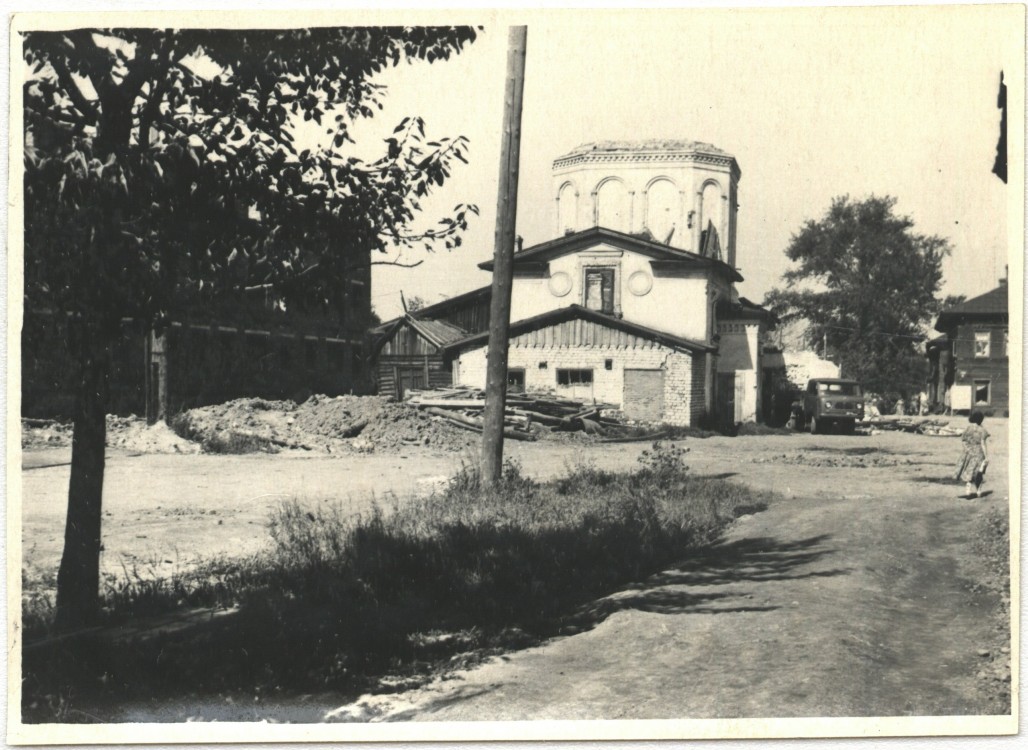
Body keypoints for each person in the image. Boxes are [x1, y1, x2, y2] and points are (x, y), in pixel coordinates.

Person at [955, 410, 989, 498]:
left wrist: (967, 449)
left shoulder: (968, 428)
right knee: (979, 473)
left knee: (969, 472)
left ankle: (968, 491)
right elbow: (983, 444)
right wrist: (986, 456)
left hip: (969, 452)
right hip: (979, 453)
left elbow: (963, 440)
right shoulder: (983, 430)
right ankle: (979, 492)